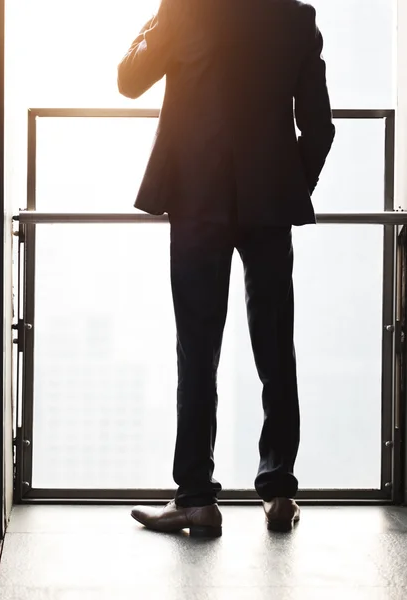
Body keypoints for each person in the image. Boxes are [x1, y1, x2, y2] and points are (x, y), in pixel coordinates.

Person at [117, 0, 335, 536]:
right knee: (275, 343)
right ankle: (279, 490)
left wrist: (154, 19)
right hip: (268, 207)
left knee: (198, 348)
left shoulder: (186, 10)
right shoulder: (295, 17)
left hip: (198, 201)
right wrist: (287, 188)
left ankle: (195, 498)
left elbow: (128, 80)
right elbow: (320, 129)